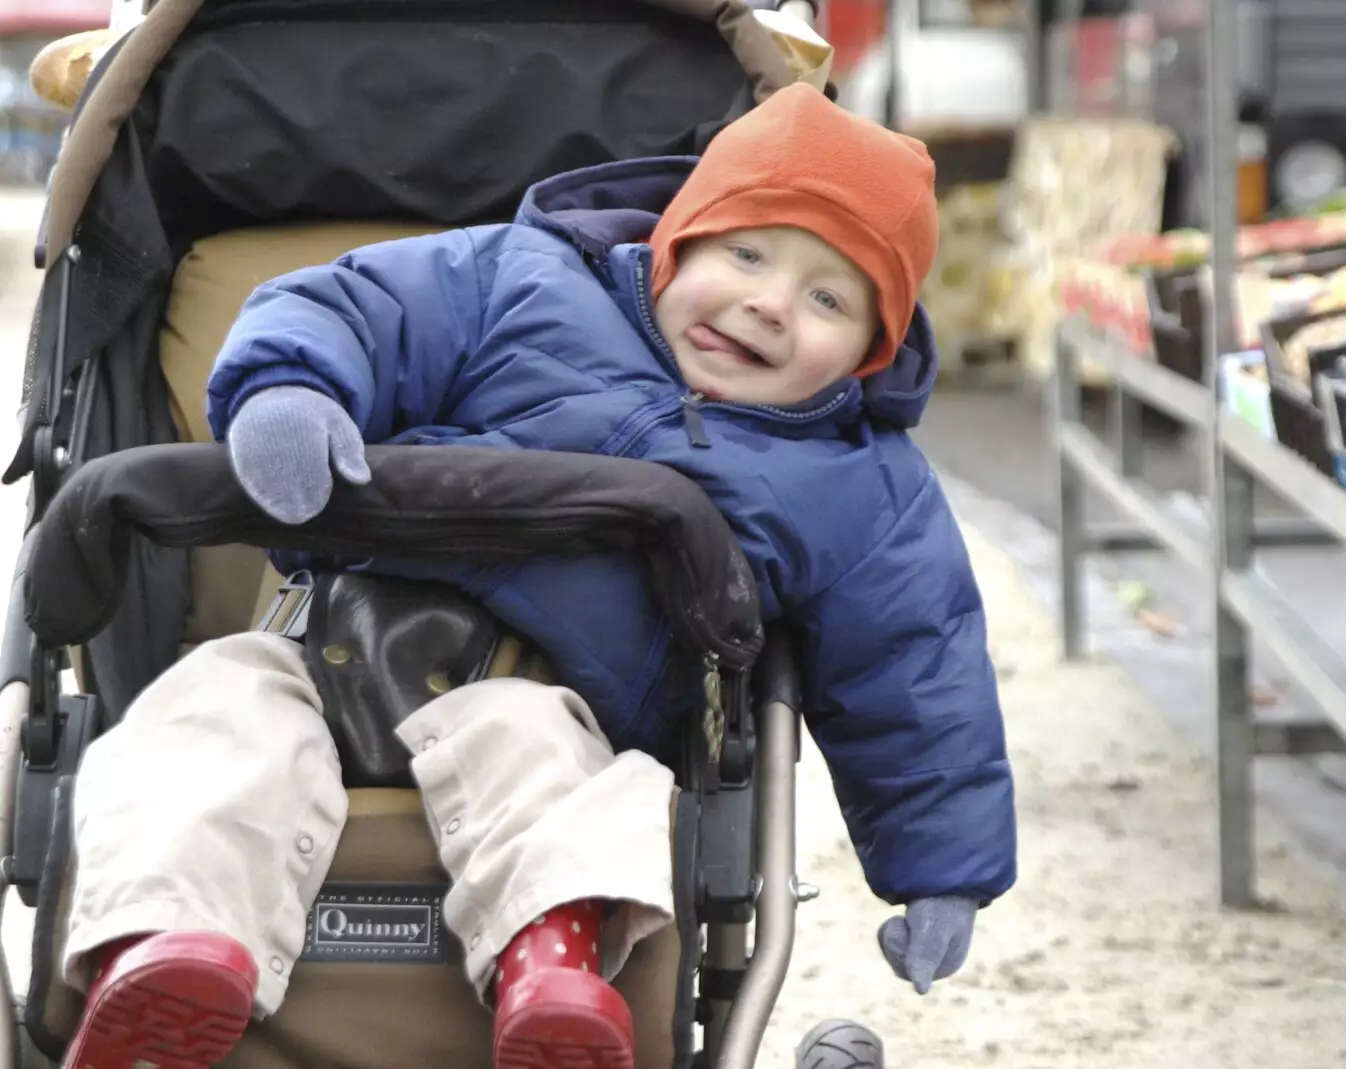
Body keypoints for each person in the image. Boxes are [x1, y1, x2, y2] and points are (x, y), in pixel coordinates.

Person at [59, 83, 1017, 1069]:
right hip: (323, 645)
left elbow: (916, 664)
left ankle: (552, 980)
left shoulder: (859, 482)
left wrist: (938, 870)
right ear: (679, 237)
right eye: (744, 253)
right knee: (203, 717)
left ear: (870, 351)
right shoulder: (522, 278)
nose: (769, 303)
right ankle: (173, 956)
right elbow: (355, 302)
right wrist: (290, 387)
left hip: (554, 701)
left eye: (829, 298)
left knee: (561, 782)